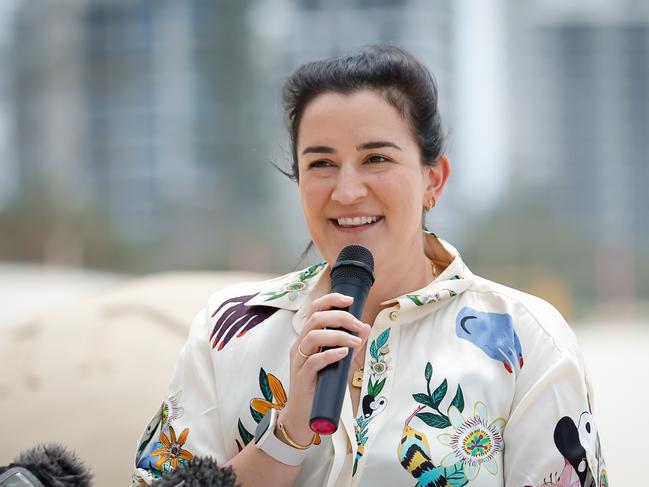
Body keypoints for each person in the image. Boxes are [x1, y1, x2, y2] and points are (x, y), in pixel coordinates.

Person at [132, 45, 607, 487]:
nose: (347, 191)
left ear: (433, 180)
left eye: (376, 158)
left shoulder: (526, 340)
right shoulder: (229, 331)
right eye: (321, 164)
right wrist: (288, 434)